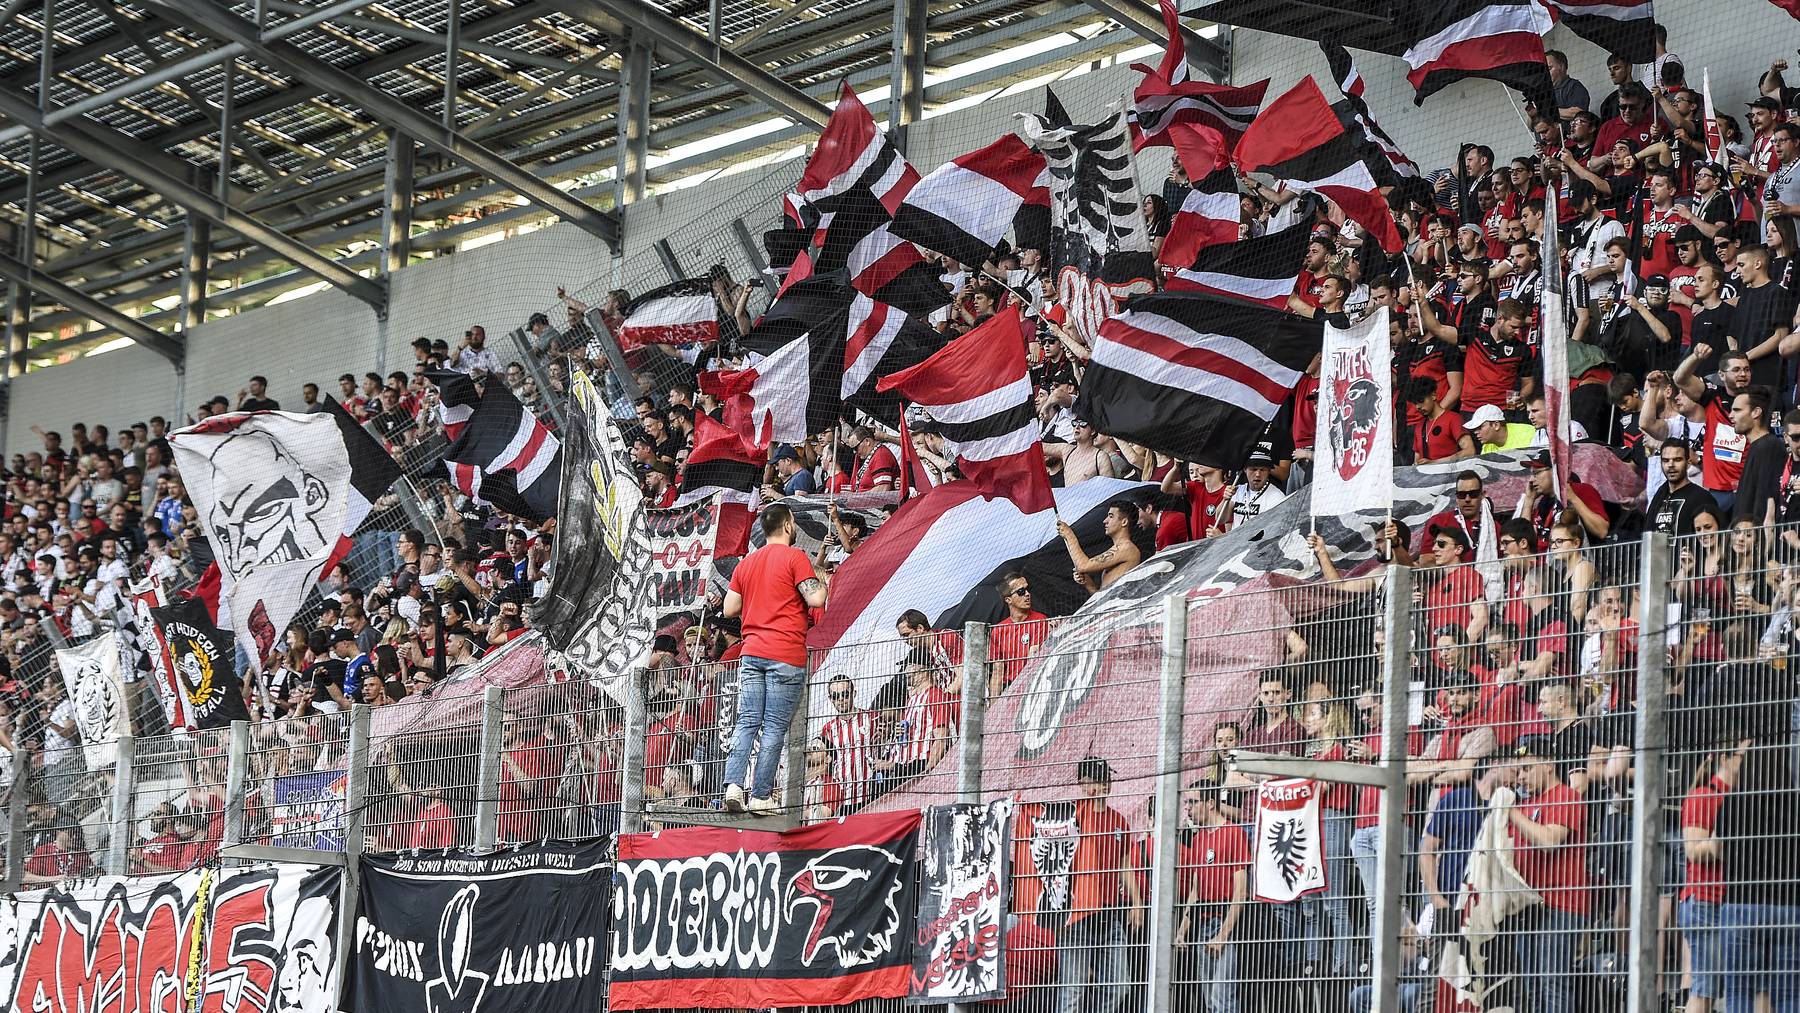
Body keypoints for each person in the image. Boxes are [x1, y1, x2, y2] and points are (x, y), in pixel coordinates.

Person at [719, 503, 828, 814]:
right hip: (785, 653)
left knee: (747, 722)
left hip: (752, 652)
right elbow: (816, 598)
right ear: (790, 526)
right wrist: (823, 581)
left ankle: (734, 786)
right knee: (774, 727)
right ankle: (761, 795)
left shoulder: (746, 564)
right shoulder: (796, 557)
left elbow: (729, 609)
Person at [1506, 735, 1589, 1013]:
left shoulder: (1567, 796)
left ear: (1548, 765)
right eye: (1518, 771)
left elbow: (1550, 842)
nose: (1521, 777)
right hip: (1527, 906)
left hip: (1560, 904)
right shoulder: (1526, 804)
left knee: (1554, 983)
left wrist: (1511, 813)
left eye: (1527, 768)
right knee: (1533, 987)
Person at [1054, 756, 1142, 1013]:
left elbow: (1125, 865)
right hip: (1078, 916)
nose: (1088, 789)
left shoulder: (1119, 822)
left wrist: (1136, 902)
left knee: (1118, 985)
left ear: (1107, 784)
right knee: (1072, 989)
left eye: (1093, 782)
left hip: (1109, 914)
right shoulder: (1072, 818)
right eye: (1084, 784)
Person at [1175, 782, 1249, 1013]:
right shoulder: (1198, 840)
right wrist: (1182, 930)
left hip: (1225, 923)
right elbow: (1195, 892)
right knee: (1210, 1002)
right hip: (1202, 925)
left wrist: (1222, 935)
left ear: (1210, 804)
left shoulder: (1233, 833)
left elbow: (1241, 891)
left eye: (1193, 802)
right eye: (1187, 803)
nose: (1188, 808)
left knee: (1222, 1000)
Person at [1060, 499, 1143, 593]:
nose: (1105, 521)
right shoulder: (1118, 549)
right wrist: (1088, 584)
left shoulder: (1127, 548)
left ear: (1124, 522)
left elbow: (1083, 565)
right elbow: (1101, 596)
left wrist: (1069, 535)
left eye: (1111, 516)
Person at [989, 571, 1050, 698]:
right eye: (1021, 592)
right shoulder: (998, 630)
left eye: (1028, 590)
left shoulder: (1040, 620)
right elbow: (997, 670)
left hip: (1032, 687)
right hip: (1009, 690)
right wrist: (992, 707)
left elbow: (1033, 661)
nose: (1027, 594)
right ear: (1008, 599)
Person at [1647, 442, 1721, 536]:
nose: (1671, 465)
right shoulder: (1659, 495)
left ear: (1688, 462)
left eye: (1677, 460)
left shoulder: (1702, 497)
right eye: (1666, 460)